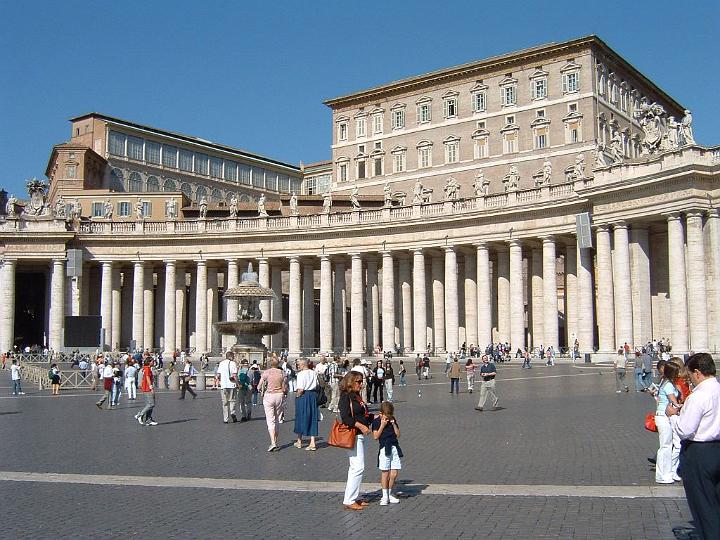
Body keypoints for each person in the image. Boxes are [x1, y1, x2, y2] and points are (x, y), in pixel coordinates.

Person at [666, 353, 720, 540]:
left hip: (699, 454)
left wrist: (672, 415)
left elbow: (685, 430)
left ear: (697, 372)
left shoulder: (699, 396)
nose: (689, 379)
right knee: (715, 503)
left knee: (703, 507)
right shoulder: (718, 389)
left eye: (689, 375)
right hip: (717, 450)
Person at [339, 372, 373, 511]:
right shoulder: (345, 397)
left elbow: (363, 414)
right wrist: (361, 426)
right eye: (358, 381)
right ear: (350, 382)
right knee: (357, 467)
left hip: (360, 435)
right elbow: (346, 418)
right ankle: (349, 500)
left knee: (356, 467)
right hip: (353, 435)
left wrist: (376, 417)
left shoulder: (357, 396)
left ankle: (353, 496)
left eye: (361, 381)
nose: (361, 384)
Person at [652, 361, 681, 484]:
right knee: (665, 446)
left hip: (665, 415)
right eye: (676, 372)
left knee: (669, 445)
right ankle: (662, 475)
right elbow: (674, 401)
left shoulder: (666, 383)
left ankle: (668, 472)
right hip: (664, 416)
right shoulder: (668, 385)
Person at [372, 401, 402, 506]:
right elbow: (375, 437)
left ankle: (389, 494)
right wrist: (382, 425)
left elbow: (398, 435)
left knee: (394, 473)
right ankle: (384, 496)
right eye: (386, 416)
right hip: (384, 448)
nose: (387, 418)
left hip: (394, 447)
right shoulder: (376, 422)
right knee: (385, 473)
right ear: (381, 414)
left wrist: (393, 424)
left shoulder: (392, 420)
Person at [260, 358, 287, 452]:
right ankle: (275, 440)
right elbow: (285, 387)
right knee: (277, 418)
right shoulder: (282, 373)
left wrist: (261, 390)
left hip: (269, 396)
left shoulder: (266, 372)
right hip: (279, 395)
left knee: (270, 420)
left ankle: (273, 442)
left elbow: (259, 385)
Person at [293, 359, 319, 450]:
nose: (298, 366)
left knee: (300, 417)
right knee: (312, 417)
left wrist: (297, 396)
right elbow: (317, 384)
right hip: (312, 395)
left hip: (303, 396)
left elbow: (300, 389)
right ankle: (312, 442)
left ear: (303, 365)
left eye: (299, 364)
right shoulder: (313, 372)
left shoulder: (300, 374)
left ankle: (299, 441)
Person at [216, 353, 239, 423]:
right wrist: (238, 383)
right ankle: (232, 412)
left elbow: (218, 375)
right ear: (231, 356)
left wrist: (219, 381)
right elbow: (234, 375)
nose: (234, 357)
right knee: (232, 400)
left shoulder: (221, 363)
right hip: (232, 385)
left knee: (225, 403)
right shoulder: (233, 363)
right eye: (233, 356)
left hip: (223, 385)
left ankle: (225, 419)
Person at [135, 358, 157, 426]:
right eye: (152, 361)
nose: (154, 362)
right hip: (147, 388)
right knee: (151, 404)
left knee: (150, 404)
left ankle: (148, 419)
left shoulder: (146, 368)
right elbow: (147, 377)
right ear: (149, 362)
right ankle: (139, 415)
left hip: (145, 387)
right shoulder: (147, 368)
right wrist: (151, 387)